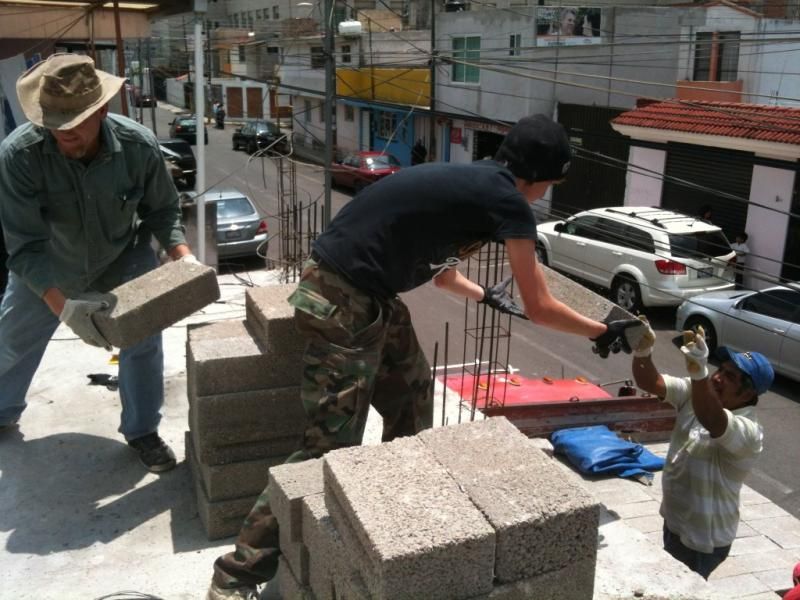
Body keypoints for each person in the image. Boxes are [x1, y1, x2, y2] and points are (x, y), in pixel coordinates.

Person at [206, 114, 642, 599]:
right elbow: (540, 305)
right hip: (342, 299)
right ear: (540, 179)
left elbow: (443, 274)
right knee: (327, 445)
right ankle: (235, 576)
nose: (544, 196)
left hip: (369, 296)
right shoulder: (507, 200)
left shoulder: (477, 186)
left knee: (413, 392)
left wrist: (487, 297)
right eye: (550, 186)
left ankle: (388, 506)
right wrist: (602, 330)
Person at [0, 53, 196, 472]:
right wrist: (64, 307)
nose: (61, 135)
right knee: (11, 341)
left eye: (72, 125)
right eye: (52, 125)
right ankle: (2, 410)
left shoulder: (138, 145)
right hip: (47, 265)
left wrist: (185, 261)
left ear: (102, 110)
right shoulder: (19, 156)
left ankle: (142, 430)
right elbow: (25, 246)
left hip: (120, 257)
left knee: (142, 341)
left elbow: (163, 211)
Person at [630, 319, 773, 579]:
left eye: (729, 377)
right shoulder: (696, 394)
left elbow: (713, 419)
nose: (717, 377)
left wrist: (699, 374)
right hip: (675, 521)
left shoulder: (750, 432)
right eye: (720, 369)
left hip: (703, 540)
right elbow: (650, 381)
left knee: (680, 588)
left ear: (748, 394)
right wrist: (643, 351)